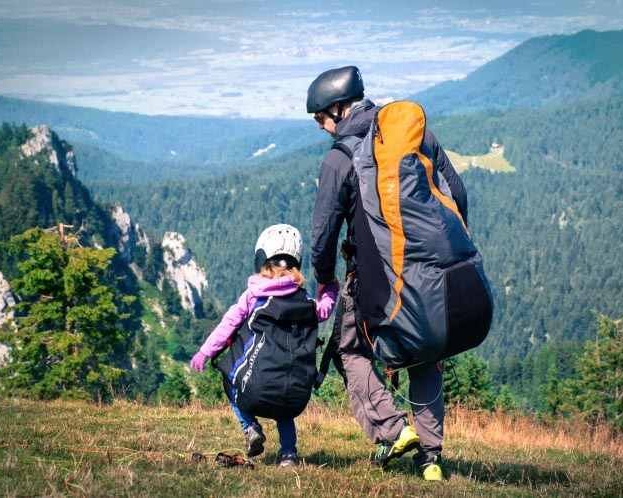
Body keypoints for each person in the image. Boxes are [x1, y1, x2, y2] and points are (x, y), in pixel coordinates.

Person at [307, 66, 469, 481]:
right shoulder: (417, 138)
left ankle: (392, 431)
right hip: (430, 274)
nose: (322, 127)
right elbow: (458, 194)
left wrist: (323, 276)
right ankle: (431, 460)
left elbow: (323, 231)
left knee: (350, 351)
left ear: (339, 109)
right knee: (426, 354)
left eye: (321, 117)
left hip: (371, 280)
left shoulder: (340, 158)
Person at [190, 223, 339, 467]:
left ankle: (250, 427)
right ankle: (288, 453)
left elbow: (228, 324)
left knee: (230, 381)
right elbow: (325, 308)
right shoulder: (307, 303)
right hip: (296, 394)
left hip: (255, 390)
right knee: (284, 411)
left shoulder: (253, 297)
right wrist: (331, 288)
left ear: (262, 260)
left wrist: (205, 352)